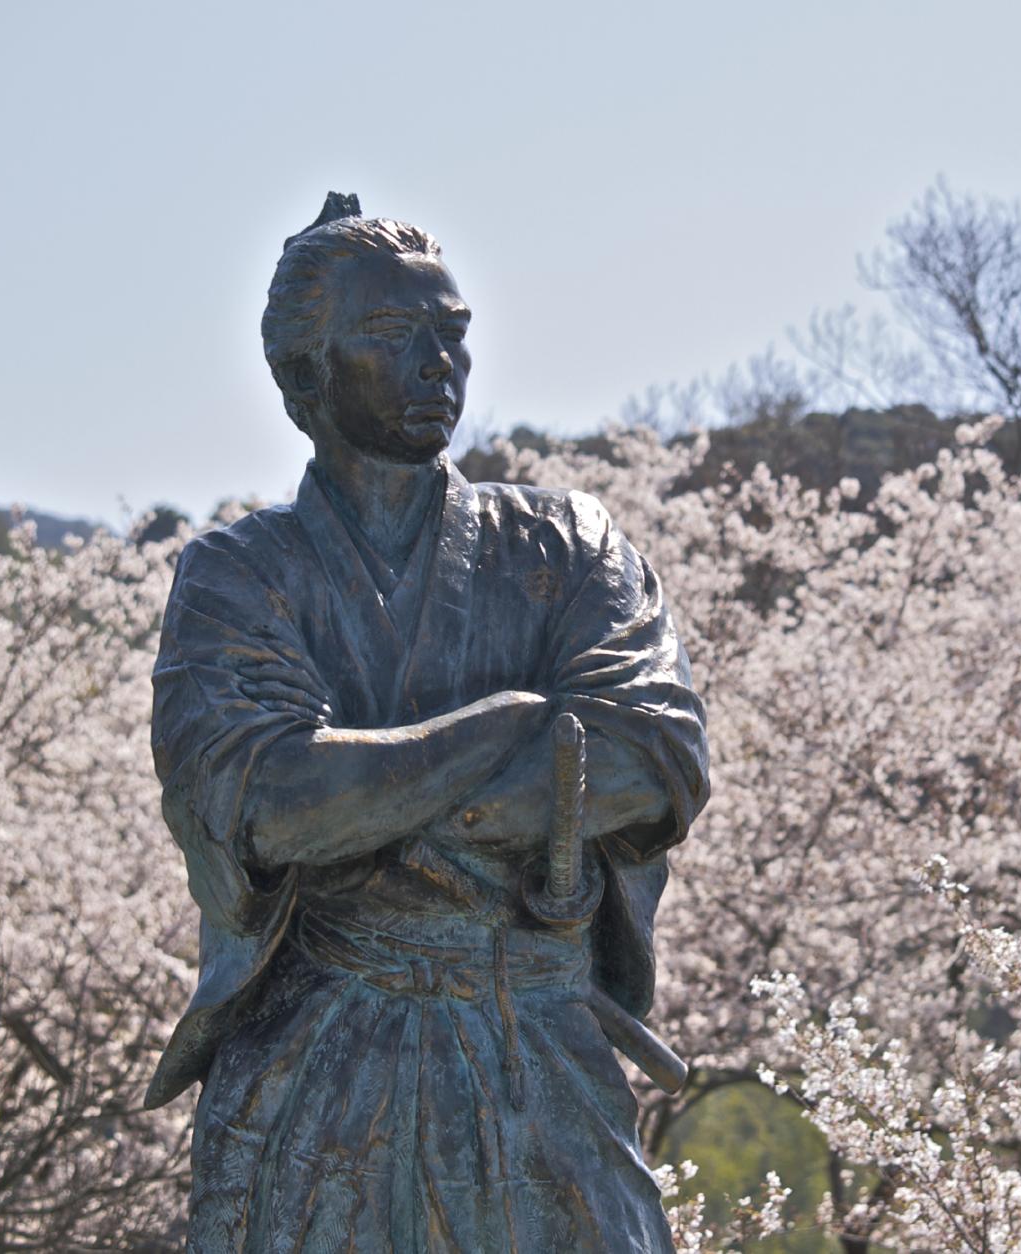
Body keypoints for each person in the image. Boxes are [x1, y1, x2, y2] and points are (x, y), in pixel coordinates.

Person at [144, 193, 709, 1252]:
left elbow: (659, 756)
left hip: (536, 1047)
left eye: (449, 334)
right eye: (392, 337)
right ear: (305, 372)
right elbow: (263, 800)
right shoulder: (238, 575)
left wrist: (383, 801)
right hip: (324, 1055)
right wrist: (507, 731)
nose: (436, 363)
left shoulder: (562, 546)